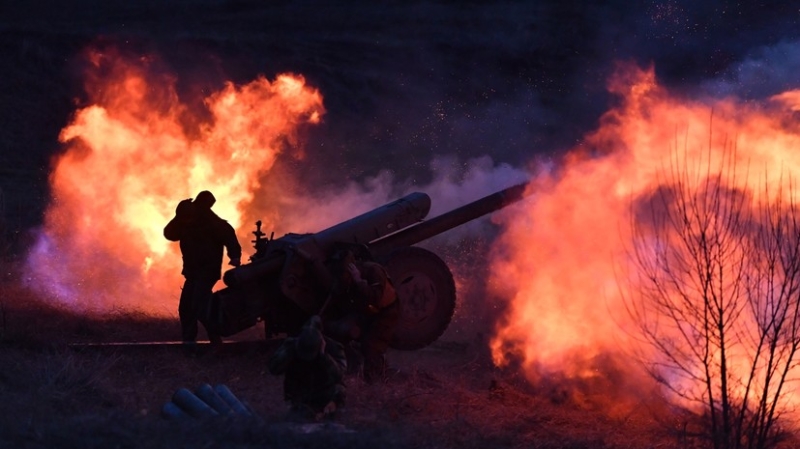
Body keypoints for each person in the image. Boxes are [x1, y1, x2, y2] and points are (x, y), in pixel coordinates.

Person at [164, 190, 242, 350]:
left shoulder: (212, 223)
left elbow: (229, 236)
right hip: (192, 272)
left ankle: (215, 340)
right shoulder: (186, 219)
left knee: (199, 306)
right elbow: (170, 234)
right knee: (186, 307)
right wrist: (178, 217)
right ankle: (189, 343)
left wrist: (235, 256)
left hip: (207, 271)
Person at [323, 249, 400, 383]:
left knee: (372, 346)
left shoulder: (373, 271)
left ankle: (376, 380)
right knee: (347, 337)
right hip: (367, 311)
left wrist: (359, 281)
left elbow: (375, 297)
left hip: (386, 312)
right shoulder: (343, 277)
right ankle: (355, 370)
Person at [268, 315, 347, 420]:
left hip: (324, 399)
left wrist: (325, 357)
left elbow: (339, 376)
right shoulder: (292, 346)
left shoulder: (333, 348)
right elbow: (274, 369)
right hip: (299, 399)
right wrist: (289, 351)